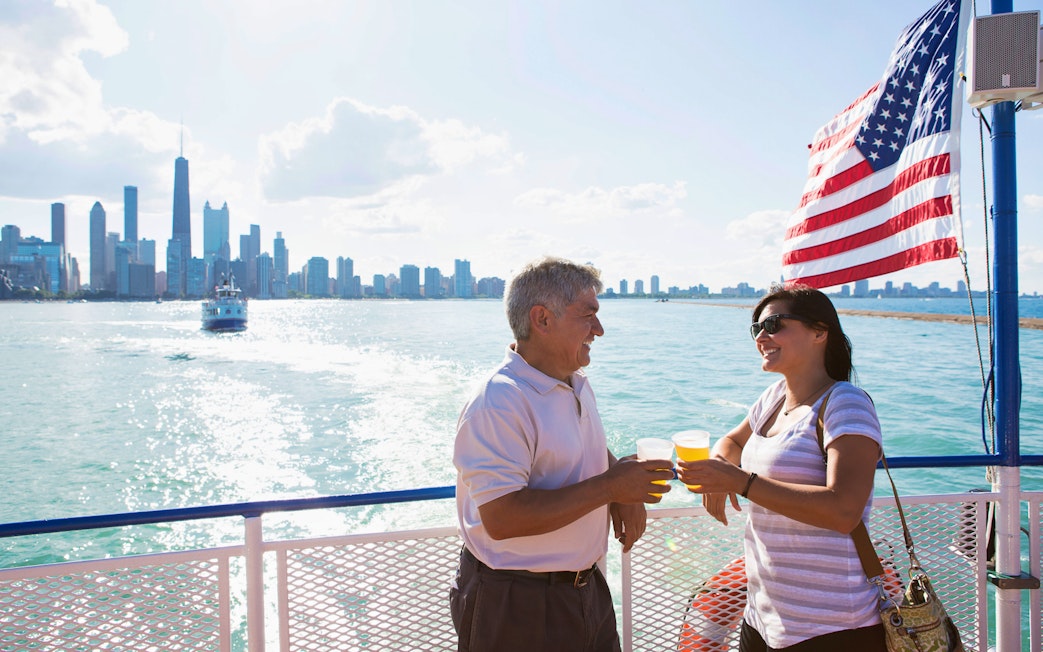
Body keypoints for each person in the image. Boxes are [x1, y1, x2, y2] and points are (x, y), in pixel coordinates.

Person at [450, 256, 673, 652]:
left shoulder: (574, 382)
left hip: (586, 592)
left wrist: (621, 488)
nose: (599, 330)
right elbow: (502, 517)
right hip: (518, 604)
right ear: (543, 319)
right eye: (588, 315)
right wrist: (610, 489)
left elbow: (581, 445)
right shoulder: (499, 400)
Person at [676, 284, 885, 651]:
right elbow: (732, 442)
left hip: (830, 625)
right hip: (761, 617)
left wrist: (740, 481)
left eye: (773, 324)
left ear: (820, 332)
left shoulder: (845, 404)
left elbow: (844, 510)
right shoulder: (773, 398)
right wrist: (722, 473)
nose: (762, 337)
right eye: (756, 329)